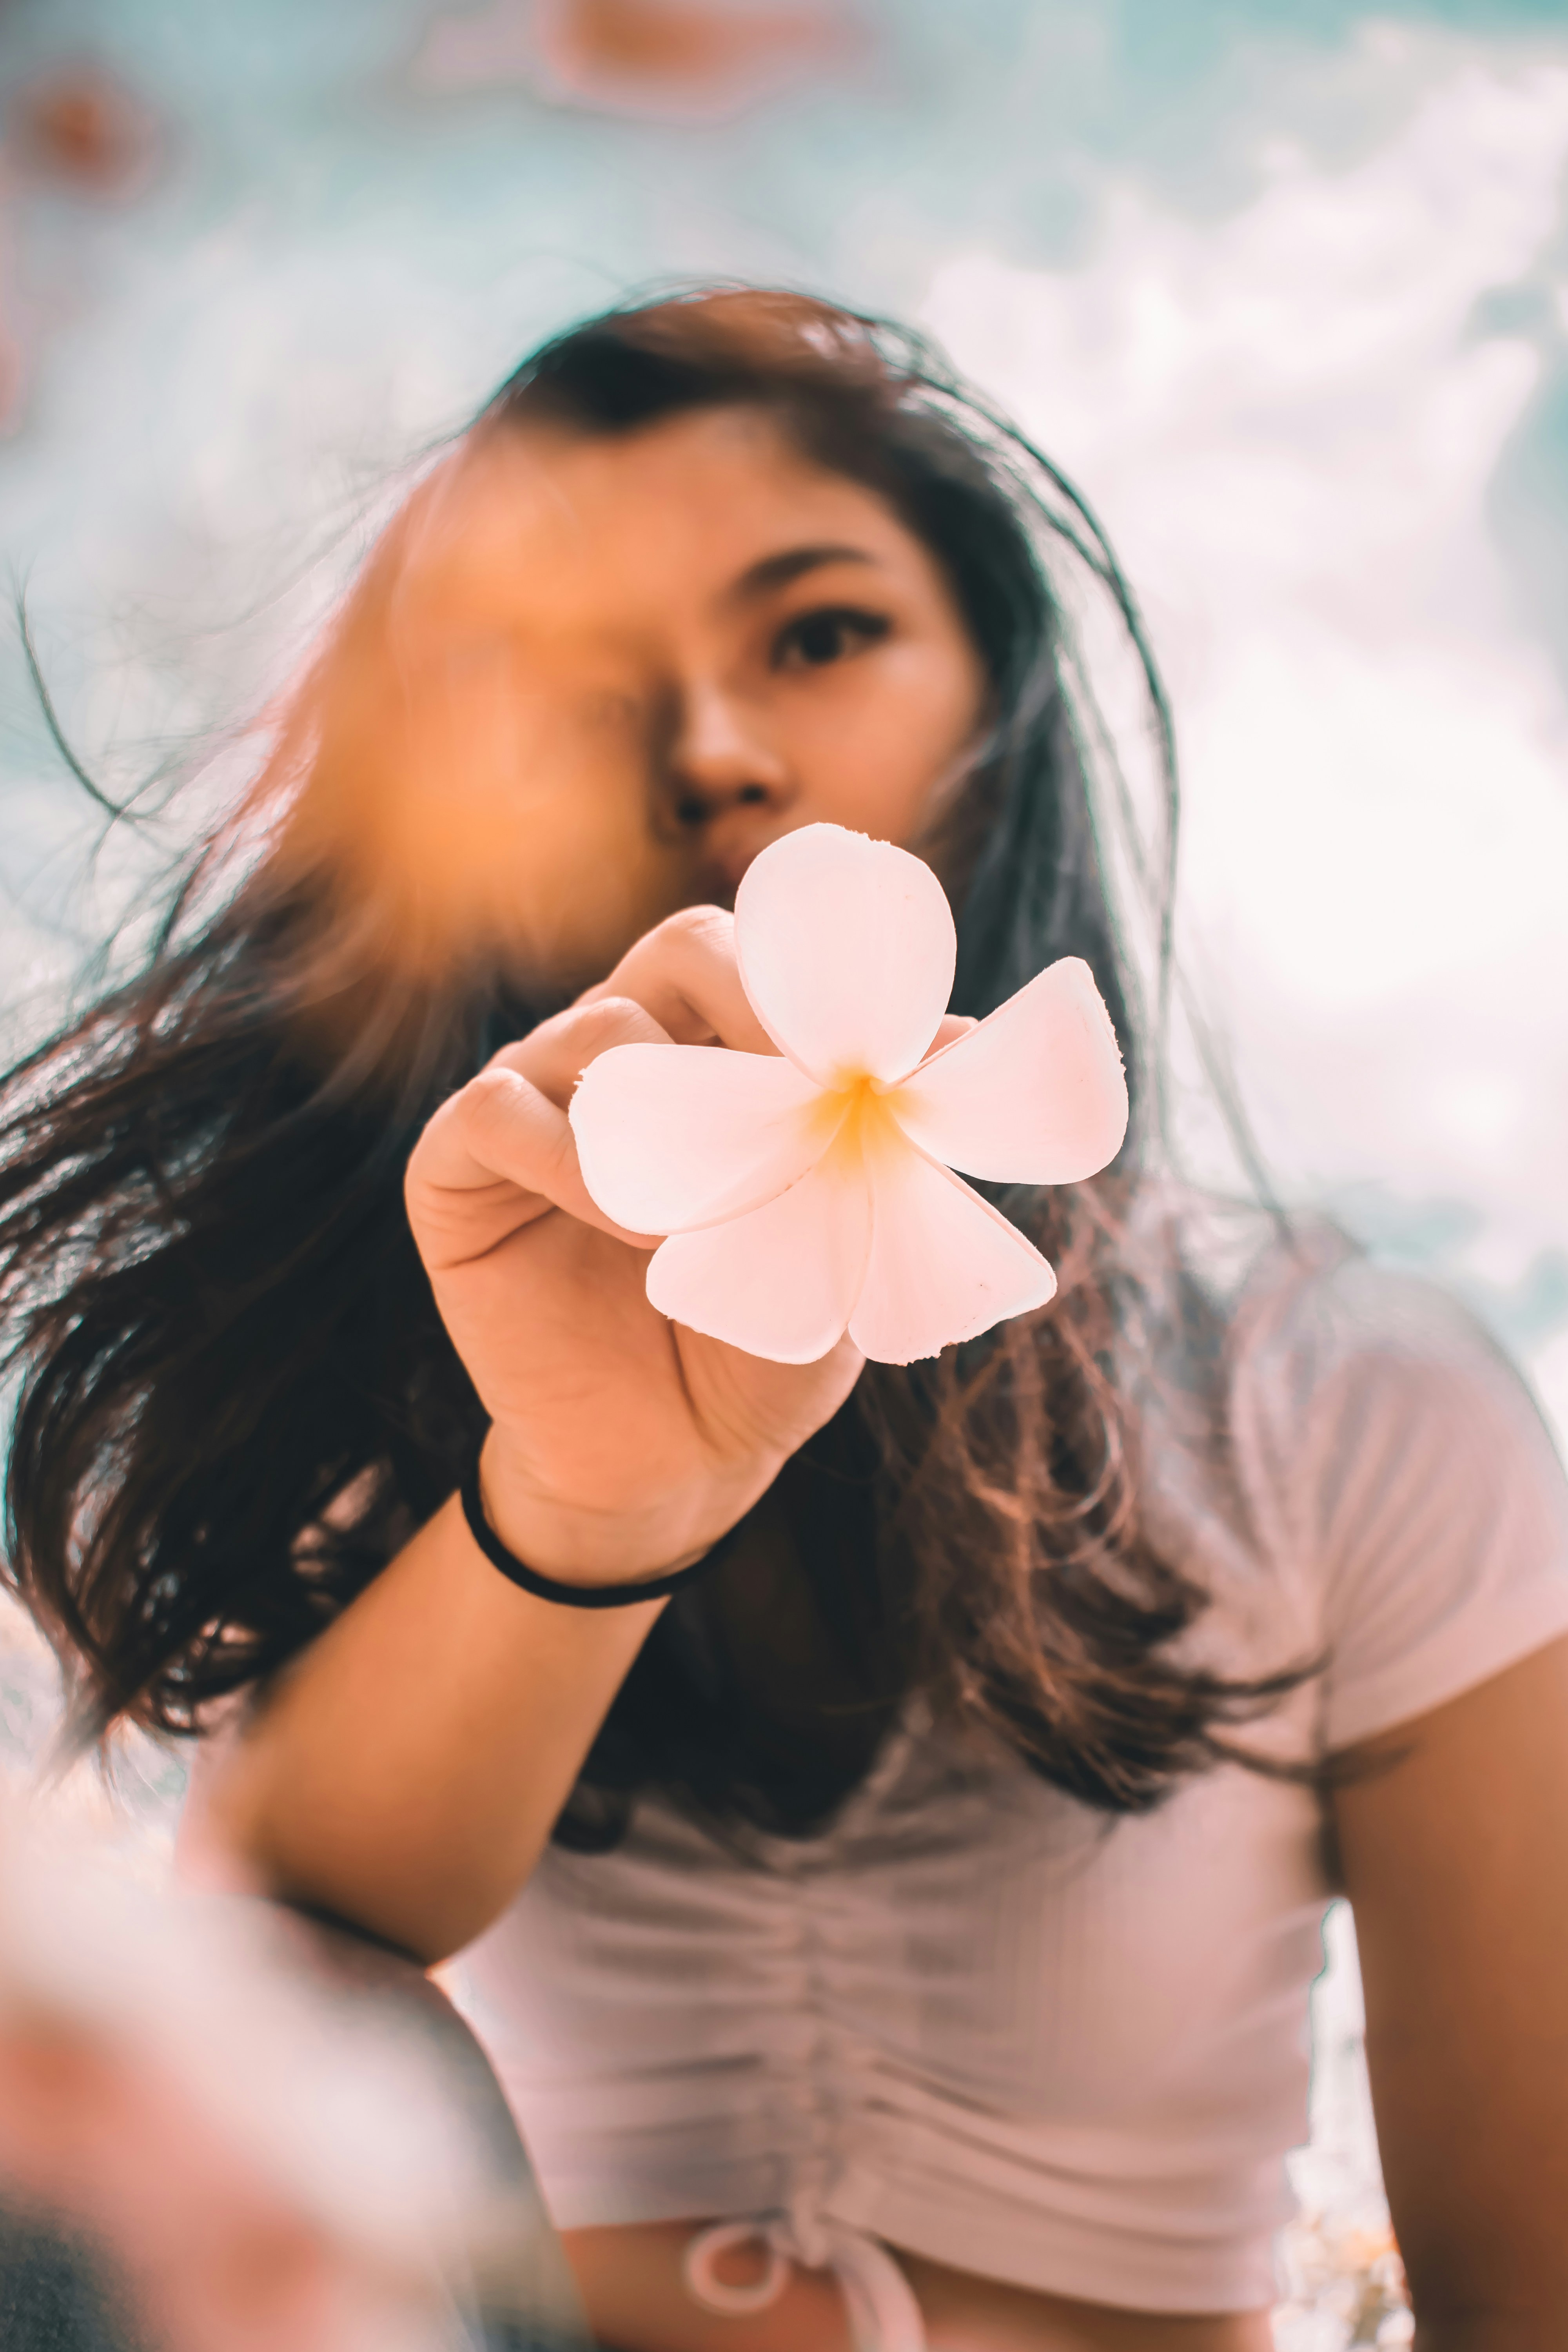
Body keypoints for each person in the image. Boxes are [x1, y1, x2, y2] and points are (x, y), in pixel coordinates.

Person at [3, 287, 1567, 2352]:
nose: (713, 748)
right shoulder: (414, 1335)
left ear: (998, 702)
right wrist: (589, 1489)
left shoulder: (1348, 1404)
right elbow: (297, 1949)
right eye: (565, 683)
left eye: (818, 634)